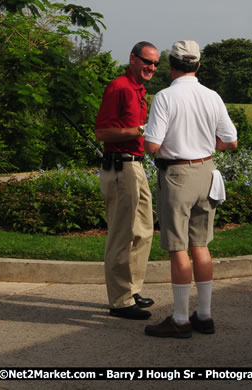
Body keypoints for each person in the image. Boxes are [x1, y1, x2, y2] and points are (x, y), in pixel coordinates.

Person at [142, 40, 238, 339]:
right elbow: (230, 141)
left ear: (171, 66)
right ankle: (205, 315)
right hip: (206, 171)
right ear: (197, 65)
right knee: (201, 246)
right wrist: (207, 146)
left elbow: (152, 145)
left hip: (177, 175)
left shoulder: (165, 97)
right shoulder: (212, 96)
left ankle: (181, 318)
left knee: (178, 249)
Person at [94, 41, 160, 320]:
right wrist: (134, 131)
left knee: (144, 231)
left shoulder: (139, 91)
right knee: (121, 236)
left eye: (155, 64)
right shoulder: (119, 87)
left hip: (136, 167)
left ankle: (132, 289)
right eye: (147, 61)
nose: (152, 68)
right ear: (133, 59)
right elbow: (101, 132)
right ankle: (120, 301)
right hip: (120, 168)